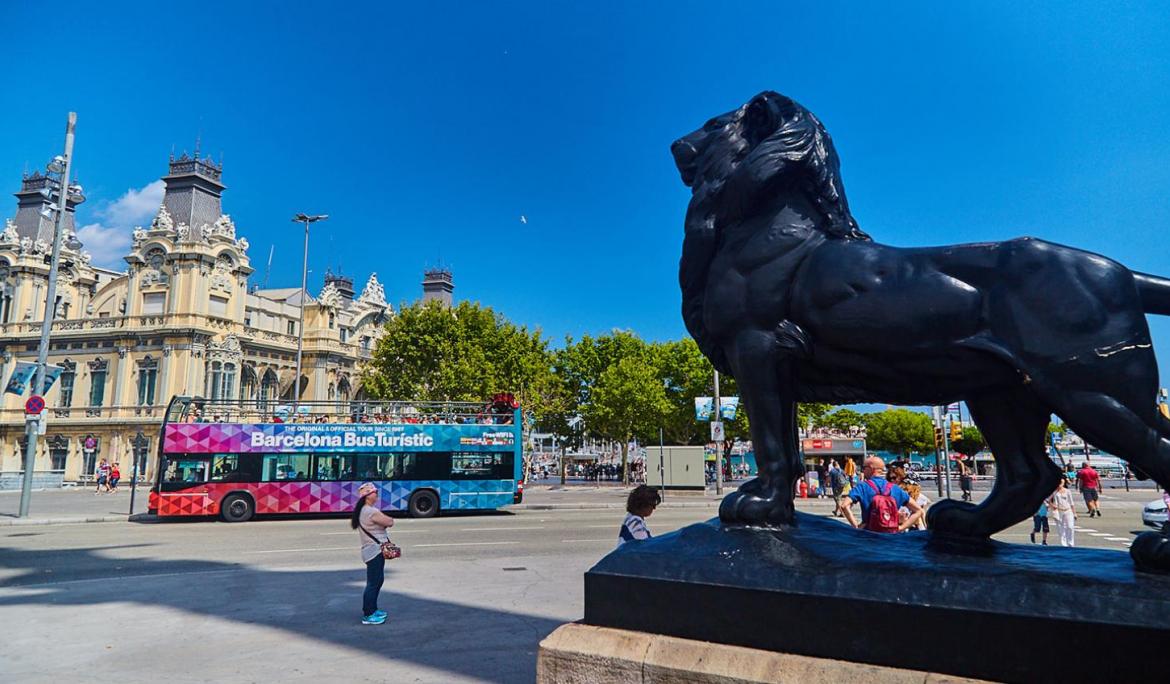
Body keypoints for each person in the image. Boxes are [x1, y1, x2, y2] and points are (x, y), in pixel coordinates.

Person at [839, 456, 923, 533]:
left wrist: (856, 527)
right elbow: (918, 510)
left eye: (864, 468)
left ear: (871, 468)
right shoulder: (895, 488)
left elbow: (844, 505)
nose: (862, 471)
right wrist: (901, 528)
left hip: (869, 534)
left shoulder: (862, 486)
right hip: (890, 535)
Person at [351, 482, 395, 625]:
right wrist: (387, 519)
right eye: (374, 492)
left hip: (371, 551)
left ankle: (373, 609)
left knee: (376, 581)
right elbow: (390, 521)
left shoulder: (364, 510)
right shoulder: (370, 512)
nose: (377, 494)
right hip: (374, 551)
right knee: (373, 583)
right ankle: (369, 614)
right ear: (368, 496)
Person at [1047, 477, 1077, 547]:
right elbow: (1047, 499)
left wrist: (1074, 513)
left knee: (1070, 527)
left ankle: (1071, 543)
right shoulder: (1054, 492)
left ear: (1064, 483)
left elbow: (1071, 503)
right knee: (1061, 528)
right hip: (1059, 511)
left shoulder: (1067, 491)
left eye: (1061, 483)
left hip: (1068, 510)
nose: (1060, 485)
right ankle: (1064, 544)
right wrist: (1052, 505)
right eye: (1059, 483)